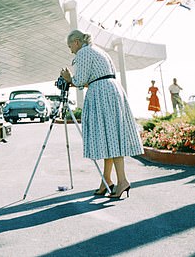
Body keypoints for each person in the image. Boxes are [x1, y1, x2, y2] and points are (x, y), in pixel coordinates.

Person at [60, 29, 143, 199]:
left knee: (111, 138)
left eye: (70, 46)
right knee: (110, 137)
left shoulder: (83, 52)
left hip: (102, 94)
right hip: (112, 90)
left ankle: (122, 181)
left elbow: (81, 80)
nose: (70, 50)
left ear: (76, 42)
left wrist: (69, 78)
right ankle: (106, 181)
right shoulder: (98, 51)